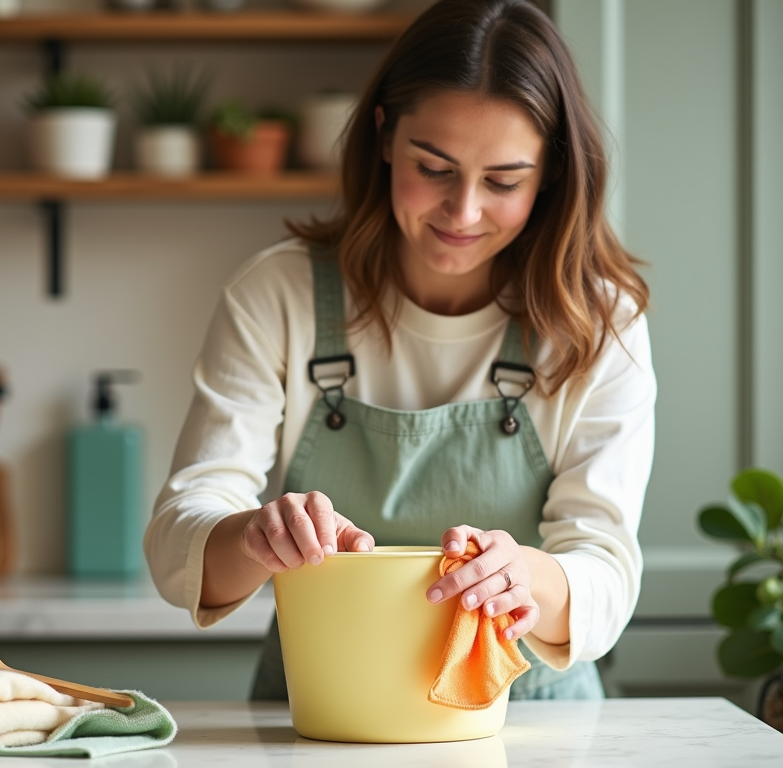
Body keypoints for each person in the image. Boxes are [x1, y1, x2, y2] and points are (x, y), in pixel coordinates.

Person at [145, 0, 655, 702]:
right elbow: (179, 539)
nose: (464, 211)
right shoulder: (278, 295)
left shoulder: (599, 322)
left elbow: (605, 569)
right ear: (384, 135)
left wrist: (523, 576)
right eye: (434, 167)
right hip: (317, 704)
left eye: (504, 181)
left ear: (551, 176)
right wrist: (256, 536)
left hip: (531, 722)